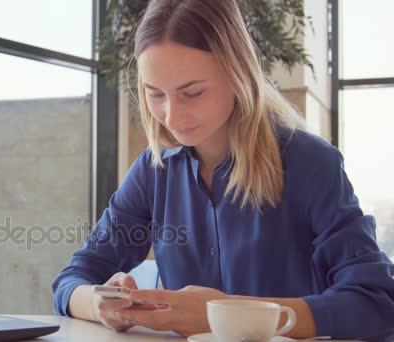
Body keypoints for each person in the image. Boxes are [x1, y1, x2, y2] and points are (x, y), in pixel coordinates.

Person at [52, 0, 394, 340]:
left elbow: (377, 301)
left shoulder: (312, 164)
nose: (172, 117)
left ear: (238, 75)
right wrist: (101, 305)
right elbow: (73, 279)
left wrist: (226, 314)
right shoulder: (153, 171)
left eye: (193, 93)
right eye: (155, 94)